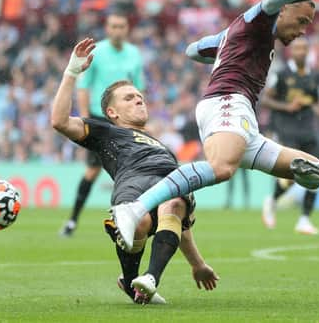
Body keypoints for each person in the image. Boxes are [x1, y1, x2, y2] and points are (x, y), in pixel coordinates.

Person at [112, 0, 319, 251]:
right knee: (222, 167)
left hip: (242, 116)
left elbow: (192, 50)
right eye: (302, 21)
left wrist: (226, 45)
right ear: (283, 9)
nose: (303, 31)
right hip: (227, 100)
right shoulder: (257, 21)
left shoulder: (245, 33)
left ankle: (310, 175)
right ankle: (134, 208)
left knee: (312, 171)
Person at [51, 39, 218, 304]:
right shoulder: (106, 132)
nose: (139, 100)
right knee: (138, 221)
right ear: (112, 112)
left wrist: (198, 264)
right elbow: (59, 121)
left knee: (174, 205)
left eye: (140, 96)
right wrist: (71, 72)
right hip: (132, 182)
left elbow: (181, 227)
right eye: (129, 98)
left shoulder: (163, 147)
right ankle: (131, 282)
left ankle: (150, 278)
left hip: (169, 182)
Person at [59, 12, 145, 237]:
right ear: (107, 28)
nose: (118, 30)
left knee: (130, 169)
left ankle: (130, 219)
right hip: (99, 118)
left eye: (122, 26)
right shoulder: (98, 51)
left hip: (125, 120)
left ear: (127, 29)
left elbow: (138, 88)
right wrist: (86, 118)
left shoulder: (135, 54)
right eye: (114, 26)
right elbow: (84, 86)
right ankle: (72, 220)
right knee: (93, 170)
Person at [260, 37, 319, 235]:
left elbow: (315, 102)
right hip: (287, 129)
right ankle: (272, 200)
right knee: (296, 171)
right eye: (297, 48)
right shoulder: (281, 74)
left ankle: (304, 220)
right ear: (291, 51)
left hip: (308, 129)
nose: (301, 52)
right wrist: (287, 107)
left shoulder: (313, 76)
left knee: (316, 170)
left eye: (305, 48)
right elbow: (265, 100)